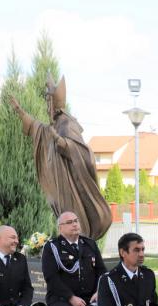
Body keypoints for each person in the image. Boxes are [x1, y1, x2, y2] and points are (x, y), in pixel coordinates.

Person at [8, 76, 112, 239]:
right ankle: (68, 241)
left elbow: (81, 152)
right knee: (64, 217)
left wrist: (58, 139)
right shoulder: (53, 125)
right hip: (59, 184)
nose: (47, 105)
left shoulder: (67, 123)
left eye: (48, 101)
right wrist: (19, 111)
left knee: (74, 218)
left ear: (54, 103)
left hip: (72, 186)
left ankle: (79, 241)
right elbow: (37, 127)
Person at [42, 211, 107, 306]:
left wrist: (99, 290)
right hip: (61, 297)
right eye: (69, 222)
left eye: (76, 221)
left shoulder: (89, 244)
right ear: (60, 228)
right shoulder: (52, 247)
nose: (74, 224)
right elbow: (51, 278)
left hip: (89, 295)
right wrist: (71, 298)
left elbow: (101, 270)